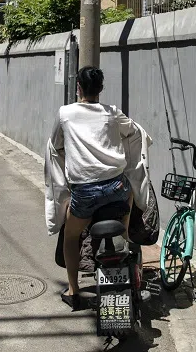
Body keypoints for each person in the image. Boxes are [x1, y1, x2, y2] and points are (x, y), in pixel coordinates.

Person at [49, 66, 137, 310]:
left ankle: (73, 289)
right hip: (116, 187)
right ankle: (125, 233)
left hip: (85, 192)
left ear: (78, 87)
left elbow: (55, 145)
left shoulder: (65, 113)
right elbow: (132, 131)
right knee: (131, 191)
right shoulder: (112, 112)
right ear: (101, 89)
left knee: (71, 236)